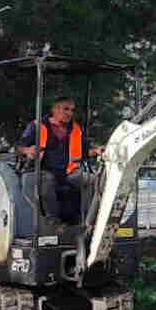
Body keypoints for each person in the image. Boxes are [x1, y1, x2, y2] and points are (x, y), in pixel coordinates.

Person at [17, 96, 102, 224]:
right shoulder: (37, 126)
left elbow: (85, 152)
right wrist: (28, 151)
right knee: (48, 180)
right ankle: (54, 222)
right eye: (66, 109)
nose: (70, 113)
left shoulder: (76, 129)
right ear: (54, 110)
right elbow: (19, 146)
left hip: (69, 172)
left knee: (93, 180)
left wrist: (96, 151)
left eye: (72, 110)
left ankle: (87, 220)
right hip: (43, 170)